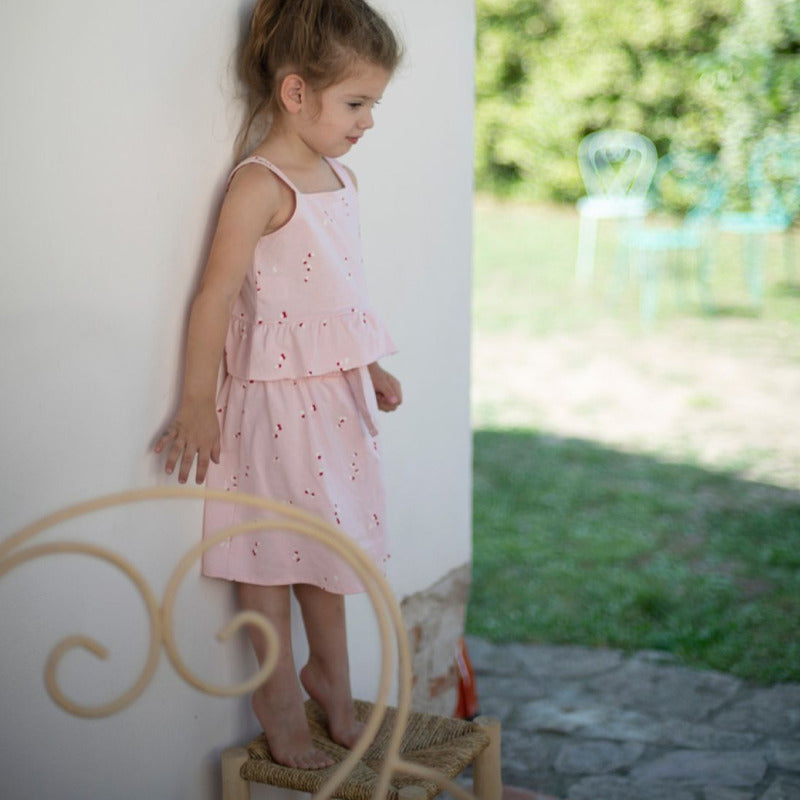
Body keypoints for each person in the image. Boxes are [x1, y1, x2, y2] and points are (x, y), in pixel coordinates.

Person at [154, 0, 403, 770]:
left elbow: (338, 294)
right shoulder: (259, 184)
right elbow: (215, 296)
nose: (367, 122)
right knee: (270, 555)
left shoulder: (339, 176)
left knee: (325, 550)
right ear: (297, 94)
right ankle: (279, 701)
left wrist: (370, 363)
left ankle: (331, 675)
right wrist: (196, 403)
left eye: (373, 105)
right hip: (271, 406)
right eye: (356, 103)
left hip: (334, 402)